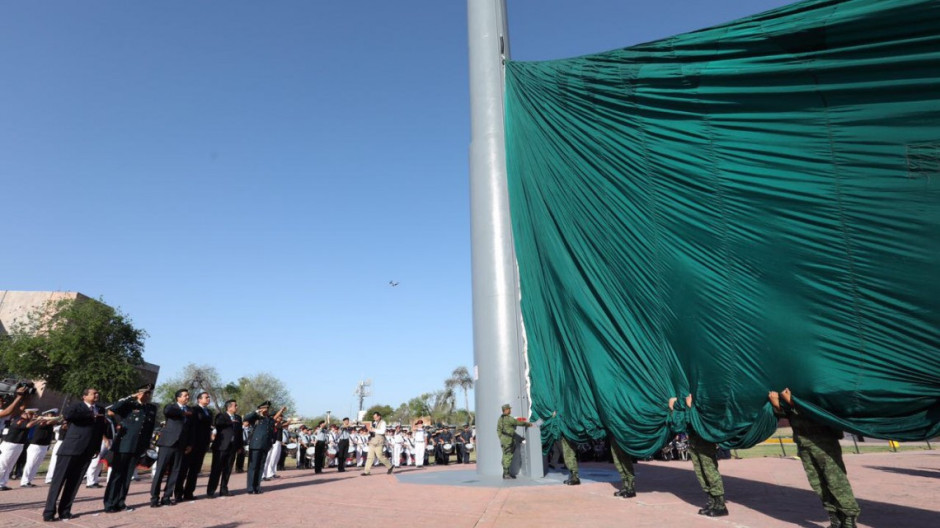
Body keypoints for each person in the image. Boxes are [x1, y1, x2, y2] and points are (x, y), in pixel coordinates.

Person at [769, 389, 860, 528]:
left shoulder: (815, 391)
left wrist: (793, 403)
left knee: (836, 481)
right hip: (804, 443)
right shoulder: (791, 390)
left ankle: (848, 518)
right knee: (817, 483)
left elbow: (816, 412)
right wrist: (777, 405)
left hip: (824, 443)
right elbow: (789, 415)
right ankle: (834, 517)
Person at [42, 387, 108, 522]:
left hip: (87, 450)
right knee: (58, 481)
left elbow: (99, 430)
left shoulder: (100, 409)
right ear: (84, 396)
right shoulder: (77, 406)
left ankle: (65, 511)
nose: (97, 395)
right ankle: (49, 512)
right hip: (70, 449)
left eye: (97, 393)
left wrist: (96, 447)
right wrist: (90, 415)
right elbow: (68, 415)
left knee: (75, 482)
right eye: (93, 393)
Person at [669, 395, 728, 517]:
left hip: (704, 440)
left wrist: (690, 407)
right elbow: (682, 422)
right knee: (700, 472)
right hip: (694, 440)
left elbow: (701, 419)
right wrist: (675, 407)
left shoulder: (705, 401)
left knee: (709, 471)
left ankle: (721, 505)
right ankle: (712, 501)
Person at [103, 383, 157, 513]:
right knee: (117, 475)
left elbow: (149, 428)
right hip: (123, 445)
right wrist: (130, 397)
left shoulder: (151, 408)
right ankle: (109, 503)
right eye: (144, 392)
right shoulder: (129, 405)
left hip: (138, 446)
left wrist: (147, 444)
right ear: (138, 393)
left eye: (148, 393)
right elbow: (114, 408)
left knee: (127, 476)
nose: (146, 395)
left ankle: (121, 502)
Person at [150, 389, 194, 507]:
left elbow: (190, 429)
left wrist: (189, 444)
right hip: (167, 443)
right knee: (160, 471)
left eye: (188, 395)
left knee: (175, 472)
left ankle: (167, 496)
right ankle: (154, 497)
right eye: (185, 395)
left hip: (181, 445)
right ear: (178, 398)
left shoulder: (190, 410)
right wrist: (183, 413)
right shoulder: (171, 407)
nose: (187, 397)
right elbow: (168, 411)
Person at [244, 401, 285, 494]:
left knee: (260, 467)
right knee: (253, 467)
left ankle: (257, 487)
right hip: (255, 445)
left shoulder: (269, 420)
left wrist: (281, 411)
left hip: (265, 445)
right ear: (261, 408)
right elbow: (246, 418)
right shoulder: (256, 418)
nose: (266, 410)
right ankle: (250, 488)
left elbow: (275, 419)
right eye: (265, 408)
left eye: (267, 408)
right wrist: (257, 412)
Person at [179, 391, 213, 501]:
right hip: (192, 444)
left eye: (209, 398)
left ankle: (189, 493)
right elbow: (191, 427)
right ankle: (178, 493)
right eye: (206, 397)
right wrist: (189, 443)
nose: (208, 399)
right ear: (199, 399)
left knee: (194, 471)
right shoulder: (193, 410)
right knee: (184, 469)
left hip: (202, 445)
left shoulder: (209, 412)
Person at [206, 399, 242, 498]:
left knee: (228, 469)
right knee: (216, 469)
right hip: (221, 447)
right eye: (235, 405)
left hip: (232, 447)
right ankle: (211, 491)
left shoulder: (238, 418)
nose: (237, 407)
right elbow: (218, 423)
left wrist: (239, 446)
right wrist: (231, 422)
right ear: (229, 407)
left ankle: (224, 490)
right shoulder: (221, 416)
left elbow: (240, 433)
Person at [0, 407, 41, 490]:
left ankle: (2, 483)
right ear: (24, 413)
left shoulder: (26, 421)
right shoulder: (20, 420)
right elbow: (28, 425)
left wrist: (37, 420)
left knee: (9, 466)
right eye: (30, 414)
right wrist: (37, 420)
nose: (32, 416)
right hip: (10, 445)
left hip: (18, 445)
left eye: (32, 414)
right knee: (3, 465)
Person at [21, 409, 59, 487]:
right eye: (51, 415)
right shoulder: (40, 421)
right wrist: (49, 418)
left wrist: (56, 418)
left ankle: (29, 481)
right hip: (36, 446)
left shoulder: (50, 422)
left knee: (37, 464)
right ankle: (24, 481)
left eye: (53, 415)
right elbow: (49, 422)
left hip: (44, 445)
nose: (53, 416)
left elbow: (54, 421)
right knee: (30, 464)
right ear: (46, 415)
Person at [497, 403, 532, 479]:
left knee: (505, 455)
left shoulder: (500, 419)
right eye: (509, 409)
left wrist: (501, 437)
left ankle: (506, 472)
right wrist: (528, 424)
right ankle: (506, 474)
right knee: (508, 456)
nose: (510, 410)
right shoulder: (509, 419)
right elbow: (519, 423)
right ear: (506, 410)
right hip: (508, 440)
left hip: (504, 440)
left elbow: (498, 430)